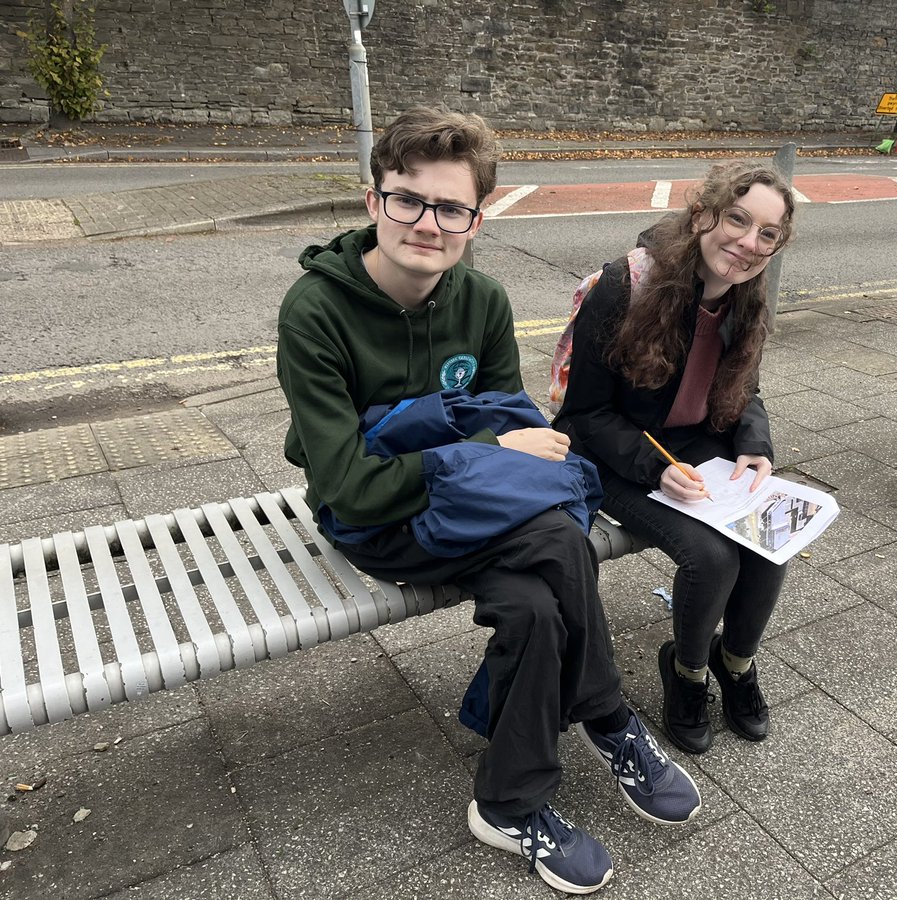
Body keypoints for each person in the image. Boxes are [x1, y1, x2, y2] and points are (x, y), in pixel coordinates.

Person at [276, 106, 700, 895]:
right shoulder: (317, 312)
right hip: (377, 523)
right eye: (407, 199)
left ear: (477, 218)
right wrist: (478, 450)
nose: (426, 223)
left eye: (451, 208)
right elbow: (351, 486)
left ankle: (507, 804)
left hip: (476, 509)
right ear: (374, 201)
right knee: (560, 544)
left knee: (539, 608)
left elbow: (520, 436)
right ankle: (608, 719)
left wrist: (455, 446)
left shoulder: (483, 302)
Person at [554, 161, 796, 756]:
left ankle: (734, 663)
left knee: (771, 536)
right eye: (738, 220)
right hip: (612, 454)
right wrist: (653, 466)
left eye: (768, 234)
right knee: (712, 558)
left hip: (692, 446)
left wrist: (754, 449)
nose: (748, 243)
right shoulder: (621, 286)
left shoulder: (746, 297)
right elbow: (584, 413)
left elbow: (746, 391)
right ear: (702, 216)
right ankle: (686, 673)